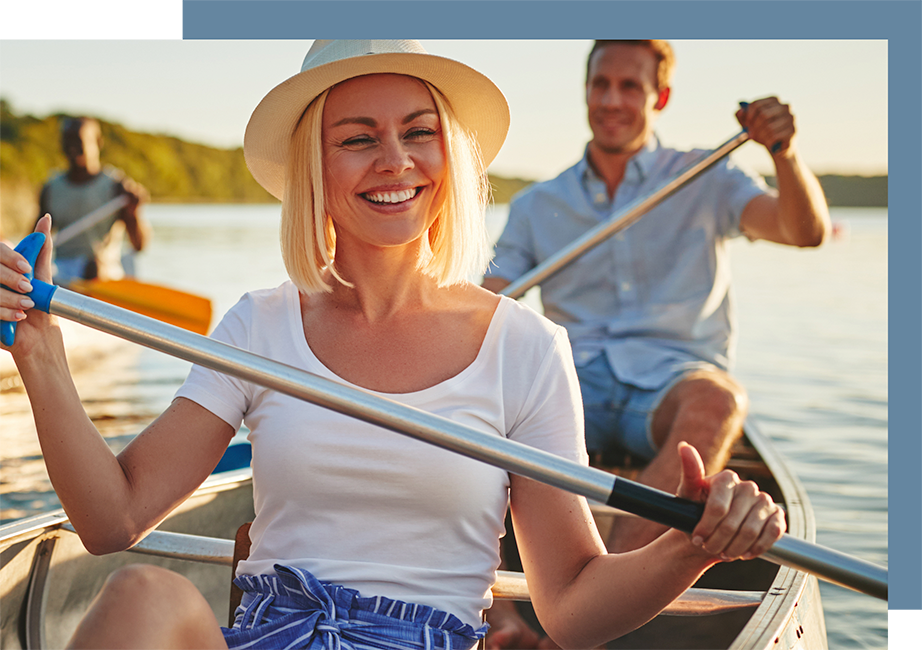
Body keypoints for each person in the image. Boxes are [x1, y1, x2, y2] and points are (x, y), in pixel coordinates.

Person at [0, 40, 785, 650]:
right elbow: (111, 520)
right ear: (315, 164)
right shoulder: (258, 326)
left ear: (450, 156)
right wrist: (39, 352)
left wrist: (690, 551)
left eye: (418, 132)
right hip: (270, 631)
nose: (394, 160)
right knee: (144, 592)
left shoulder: (525, 346)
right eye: (357, 138)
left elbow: (574, 609)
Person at [481, 40, 827, 649]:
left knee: (718, 403)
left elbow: (805, 231)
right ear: (587, 90)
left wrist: (784, 152)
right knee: (482, 409)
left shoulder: (708, 177)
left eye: (630, 87)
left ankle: (600, 598)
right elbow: (490, 302)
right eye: (601, 84)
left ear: (659, 97)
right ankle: (494, 614)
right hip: (576, 383)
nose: (611, 100)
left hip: (672, 383)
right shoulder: (539, 204)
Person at [39, 116, 151, 285]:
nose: (71, 147)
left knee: (93, 267)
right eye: (66, 140)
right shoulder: (50, 188)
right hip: (62, 272)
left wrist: (134, 212)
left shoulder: (116, 186)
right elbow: (36, 239)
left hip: (105, 271)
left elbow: (139, 245)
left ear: (97, 143)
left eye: (78, 140)